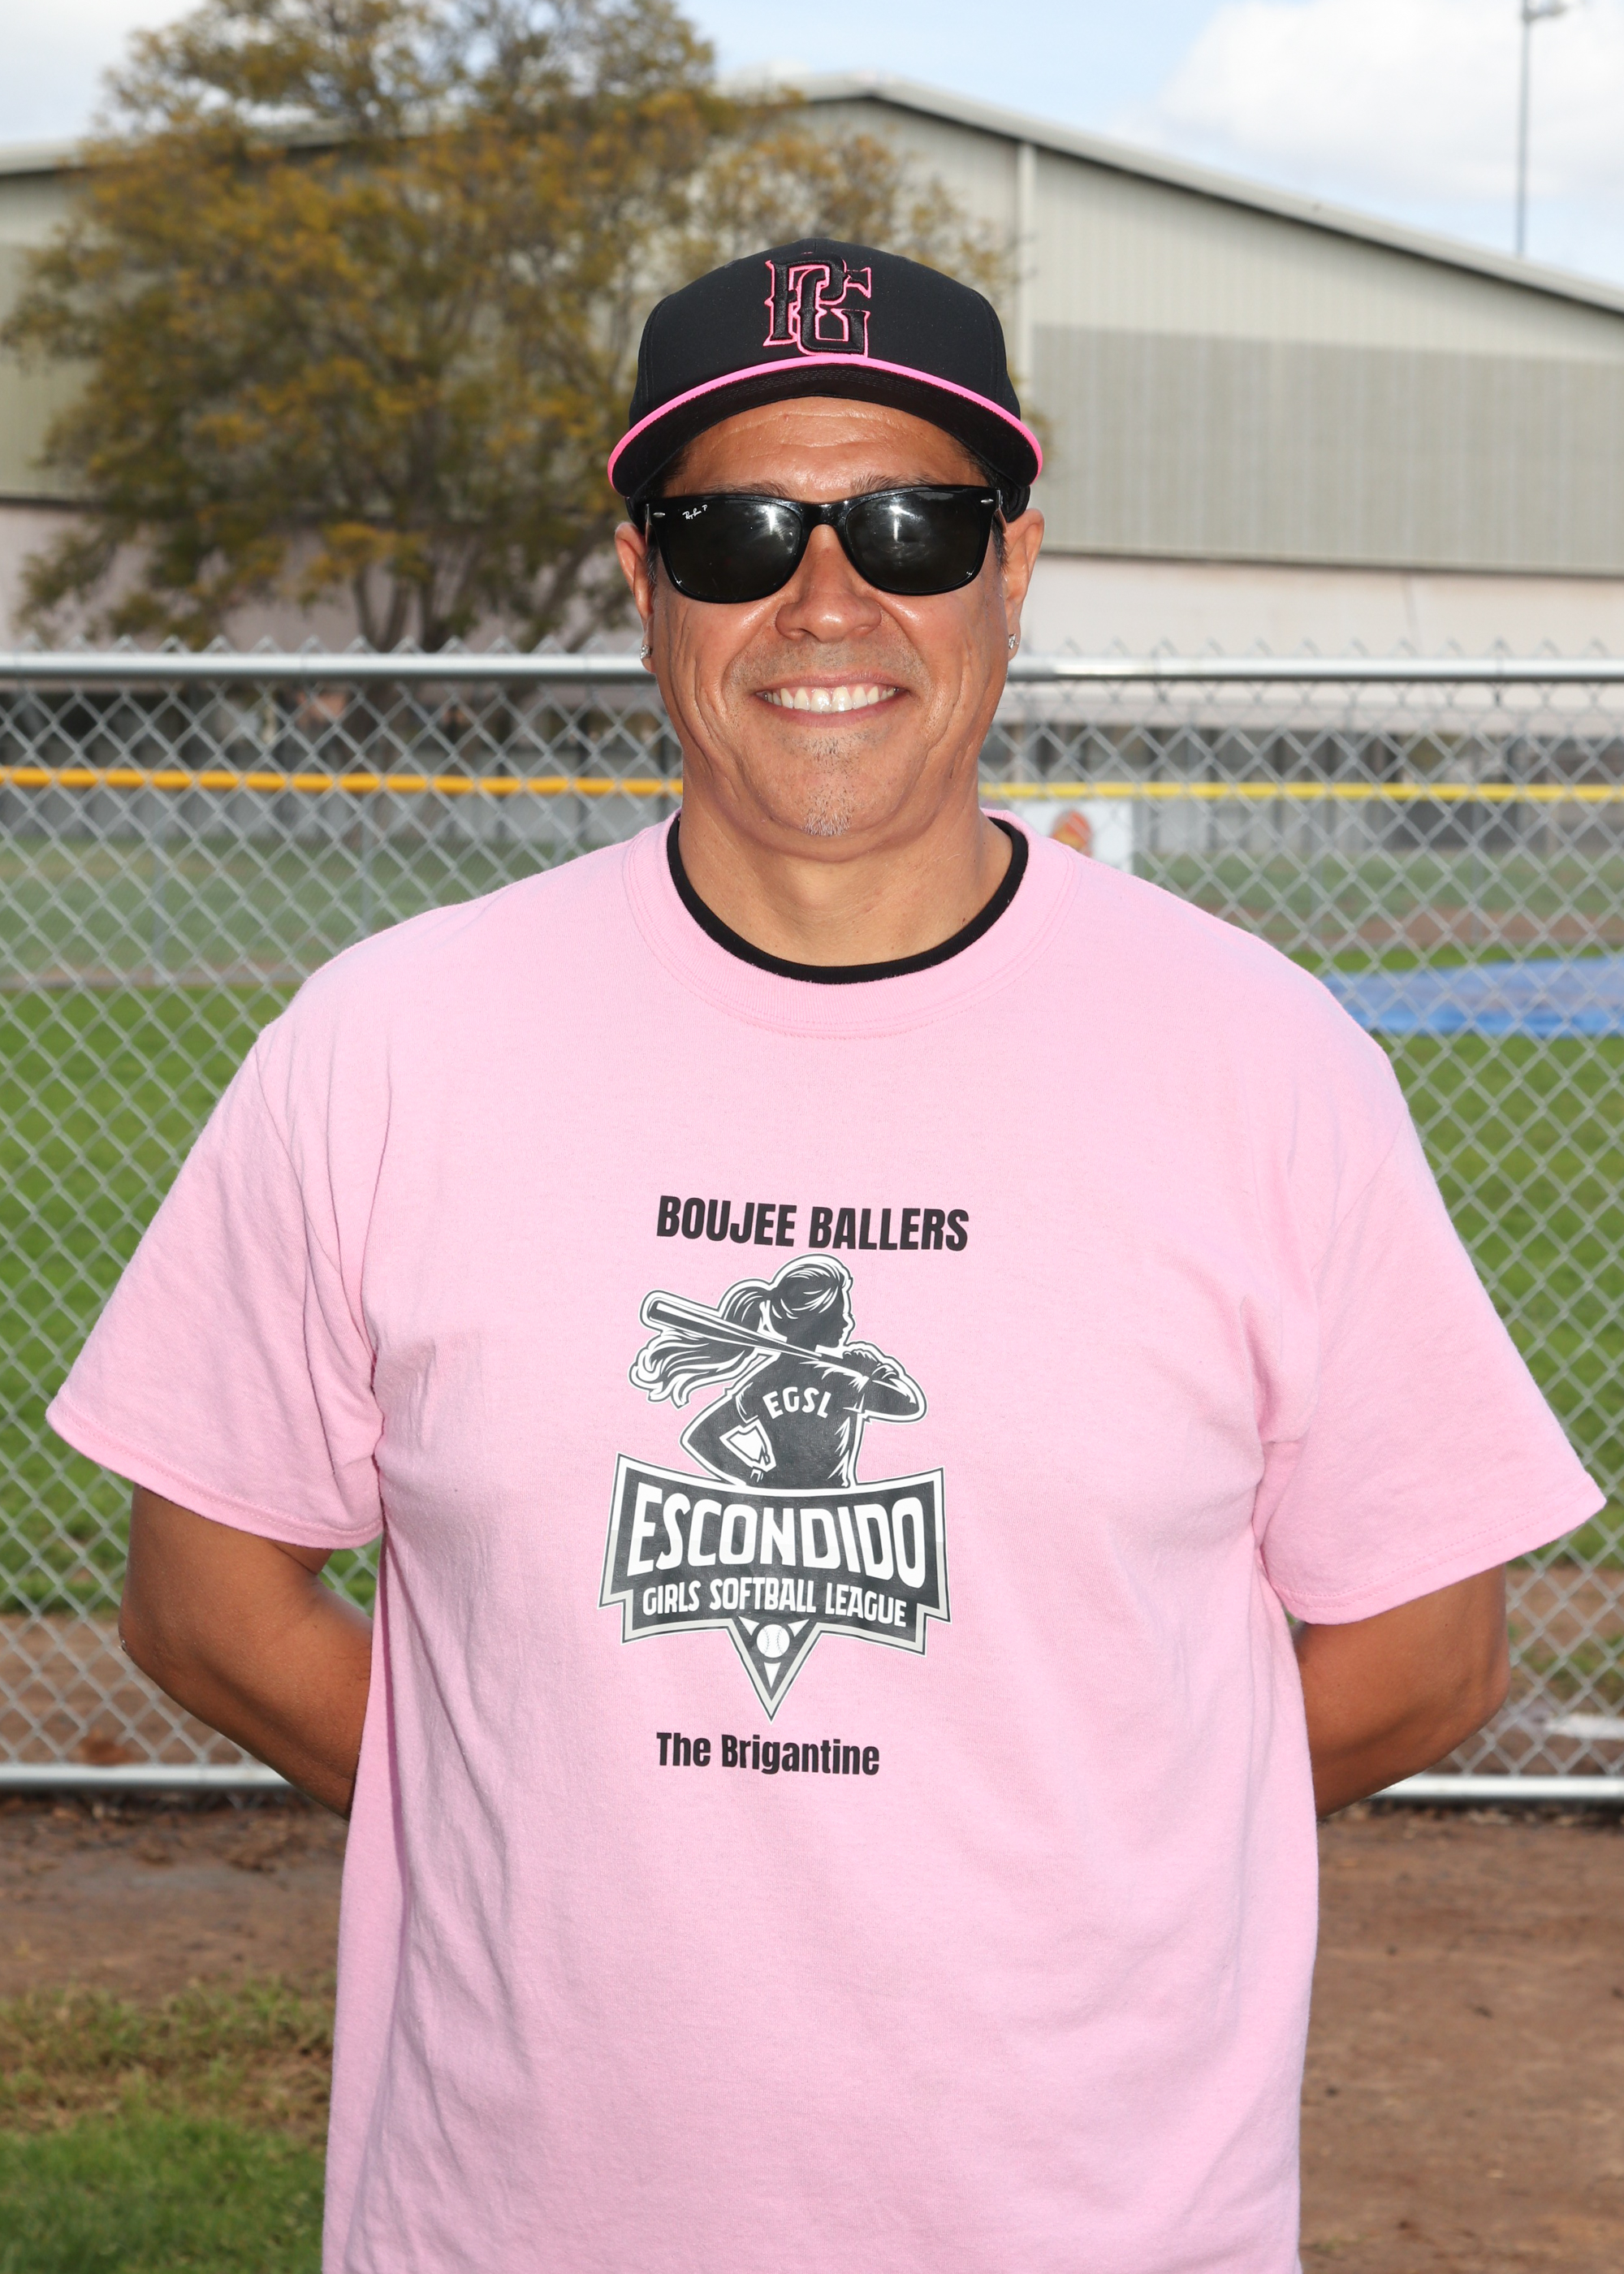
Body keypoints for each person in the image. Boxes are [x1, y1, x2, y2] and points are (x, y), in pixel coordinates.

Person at [50, 239, 1600, 2273]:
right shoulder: (391, 1042)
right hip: (515, 2221)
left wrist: (1084, 1854)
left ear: (1012, 563)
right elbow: (207, 1596)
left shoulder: (1259, 1061)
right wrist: (542, 1824)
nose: (827, 599)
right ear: (642, 579)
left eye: (909, 523)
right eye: (739, 533)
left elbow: (1427, 1649)